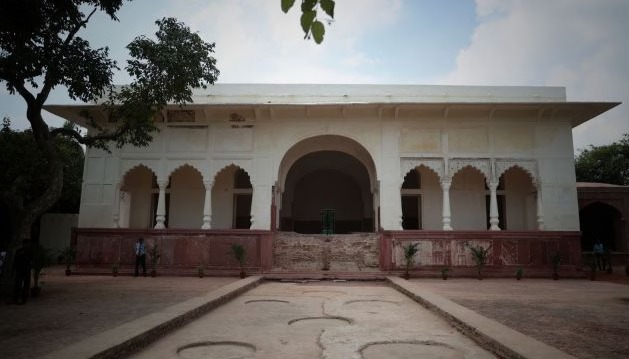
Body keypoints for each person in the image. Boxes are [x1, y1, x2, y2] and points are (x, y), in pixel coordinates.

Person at [12, 240, 33, 304]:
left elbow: (32, 260)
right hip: (20, 270)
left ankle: (23, 299)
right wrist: (13, 269)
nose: (28, 245)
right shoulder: (19, 251)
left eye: (28, 244)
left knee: (25, 285)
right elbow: (15, 261)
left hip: (26, 270)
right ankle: (16, 299)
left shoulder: (29, 251)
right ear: (24, 244)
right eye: (27, 244)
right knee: (18, 284)